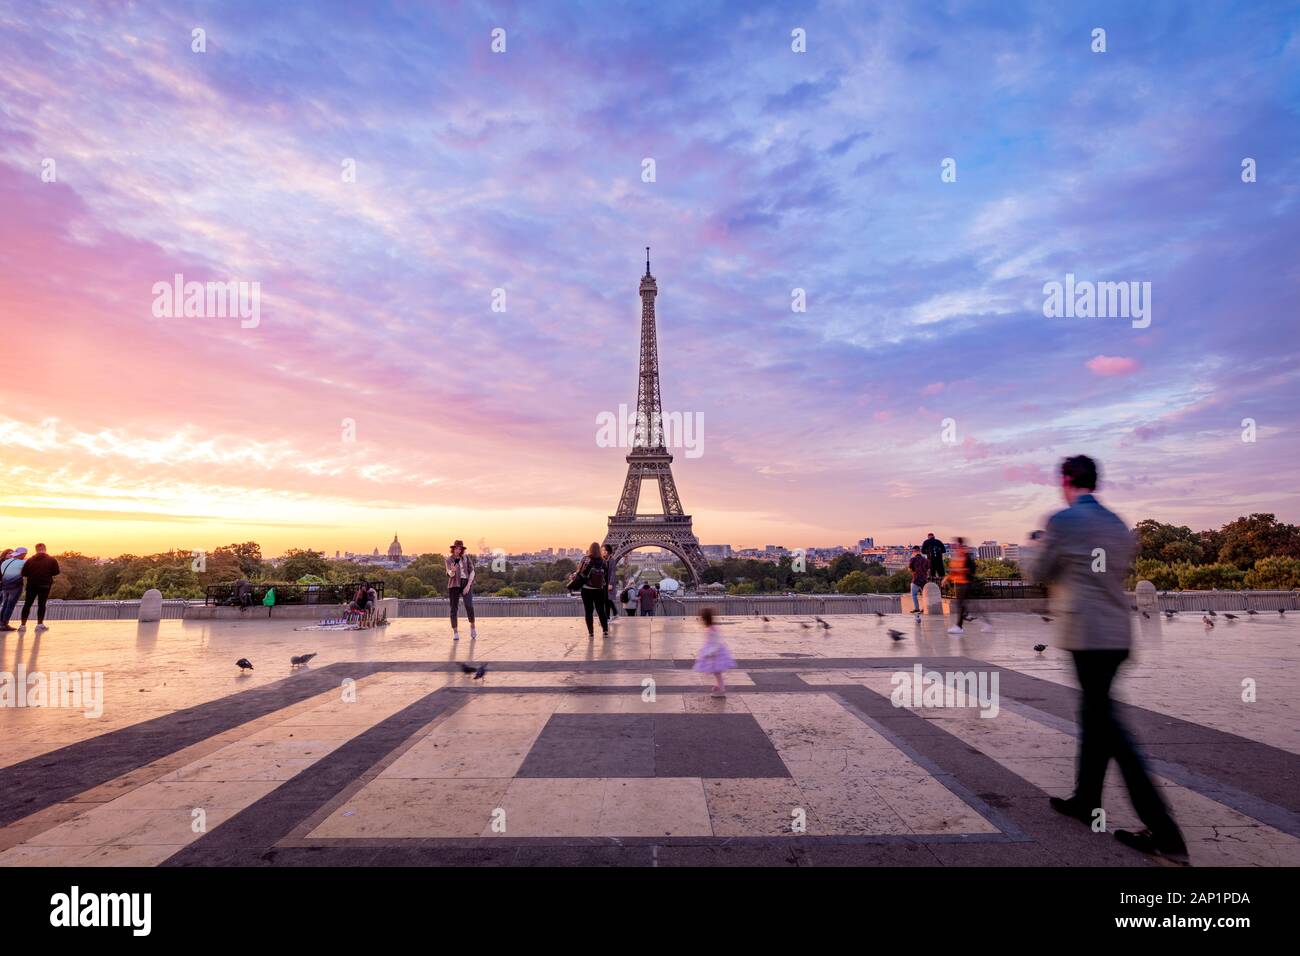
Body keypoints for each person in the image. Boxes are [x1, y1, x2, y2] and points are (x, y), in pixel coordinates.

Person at [1026, 454, 1187, 864]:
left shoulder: (1062, 521)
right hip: (1117, 633)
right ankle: (1086, 799)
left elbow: (1039, 571)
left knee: (1110, 728)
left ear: (1066, 481)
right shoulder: (1117, 524)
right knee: (1095, 715)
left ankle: (1166, 832)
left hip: (1086, 635)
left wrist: (1034, 545)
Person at [693, 608, 736, 697]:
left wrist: (710, 652)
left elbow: (717, 643)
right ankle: (719, 686)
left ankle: (721, 689)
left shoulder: (712, 630)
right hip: (715, 652)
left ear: (705, 619)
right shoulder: (712, 628)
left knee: (717, 672)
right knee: (717, 672)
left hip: (716, 653)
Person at [19, 543, 59, 631]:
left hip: (31, 585)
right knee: (42, 604)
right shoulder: (52, 560)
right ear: (45, 549)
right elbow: (56, 572)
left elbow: (24, 573)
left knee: (27, 604)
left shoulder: (29, 560)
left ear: (36, 550)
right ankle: (39, 624)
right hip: (45, 585)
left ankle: (22, 625)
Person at [575, 542, 610, 638]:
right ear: (599, 549)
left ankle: (591, 633)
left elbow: (580, 572)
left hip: (586, 589)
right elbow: (605, 574)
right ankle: (605, 631)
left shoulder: (585, 559)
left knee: (588, 611)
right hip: (599, 589)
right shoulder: (603, 561)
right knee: (601, 611)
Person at [445, 540, 477, 641]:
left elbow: (472, 571)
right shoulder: (449, 559)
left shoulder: (466, 558)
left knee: (469, 606)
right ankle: (455, 632)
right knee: (453, 608)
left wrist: (468, 585)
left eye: (460, 548)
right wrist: (452, 571)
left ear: (462, 550)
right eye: (456, 548)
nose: (458, 550)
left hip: (466, 583)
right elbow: (449, 574)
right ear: (453, 549)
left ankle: (472, 626)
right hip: (454, 585)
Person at [945, 537, 972, 634]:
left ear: (959, 544)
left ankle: (959, 626)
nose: (954, 546)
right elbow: (953, 569)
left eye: (956, 544)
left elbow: (970, 569)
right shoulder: (957, 555)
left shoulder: (964, 555)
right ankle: (965, 617)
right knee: (962, 604)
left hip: (964, 582)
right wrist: (946, 578)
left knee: (960, 604)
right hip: (958, 582)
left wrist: (958, 571)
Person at [1, 547, 24, 631]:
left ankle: (1, 623)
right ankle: (5, 624)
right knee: (10, 606)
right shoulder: (22, 562)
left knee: (5, 605)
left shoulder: (4, 562)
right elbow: (27, 572)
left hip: (5, 586)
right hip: (15, 587)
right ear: (23, 554)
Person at [907, 545, 929, 613]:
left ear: (914, 551)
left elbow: (910, 569)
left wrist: (913, 572)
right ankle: (924, 608)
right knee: (924, 595)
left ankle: (917, 608)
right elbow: (928, 569)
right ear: (920, 551)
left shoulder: (913, 559)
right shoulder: (925, 560)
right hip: (924, 579)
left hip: (916, 579)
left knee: (914, 595)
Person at [601, 545, 619, 619]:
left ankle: (607, 617)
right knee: (606, 600)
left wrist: (610, 583)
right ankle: (614, 612)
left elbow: (612, 573)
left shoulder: (612, 560)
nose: (603, 552)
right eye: (602, 550)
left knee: (607, 600)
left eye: (605, 551)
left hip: (608, 583)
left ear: (608, 552)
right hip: (602, 583)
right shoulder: (602, 560)